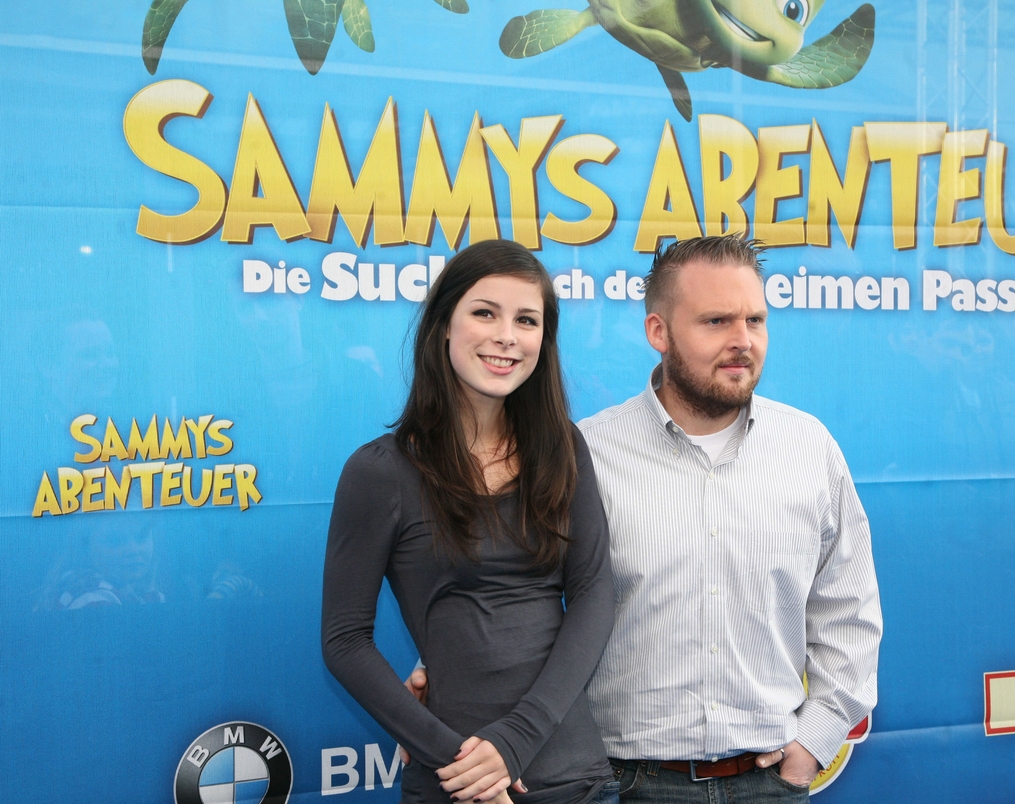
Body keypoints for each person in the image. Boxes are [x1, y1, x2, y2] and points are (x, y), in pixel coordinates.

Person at [412, 234, 881, 802]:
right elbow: (508, 585)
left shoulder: (810, 449)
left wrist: (810, 749)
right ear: (658, 332)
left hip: (770, 782)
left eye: (755, 320)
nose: (742, 342)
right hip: (620, 782)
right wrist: (448, 663)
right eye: (715, 322)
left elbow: (848, 614)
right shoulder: (584, 453)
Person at [322, 239, 618, 804]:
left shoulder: (562, 448)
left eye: (526, 320)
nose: (507, 334)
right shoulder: (379, 472)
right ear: (443, 327)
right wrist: (464, 767)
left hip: (578, 781)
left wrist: (513, 741)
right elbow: (345, 642)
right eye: (485, 312)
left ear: (542, 342)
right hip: (454, 785)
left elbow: (593, 593)